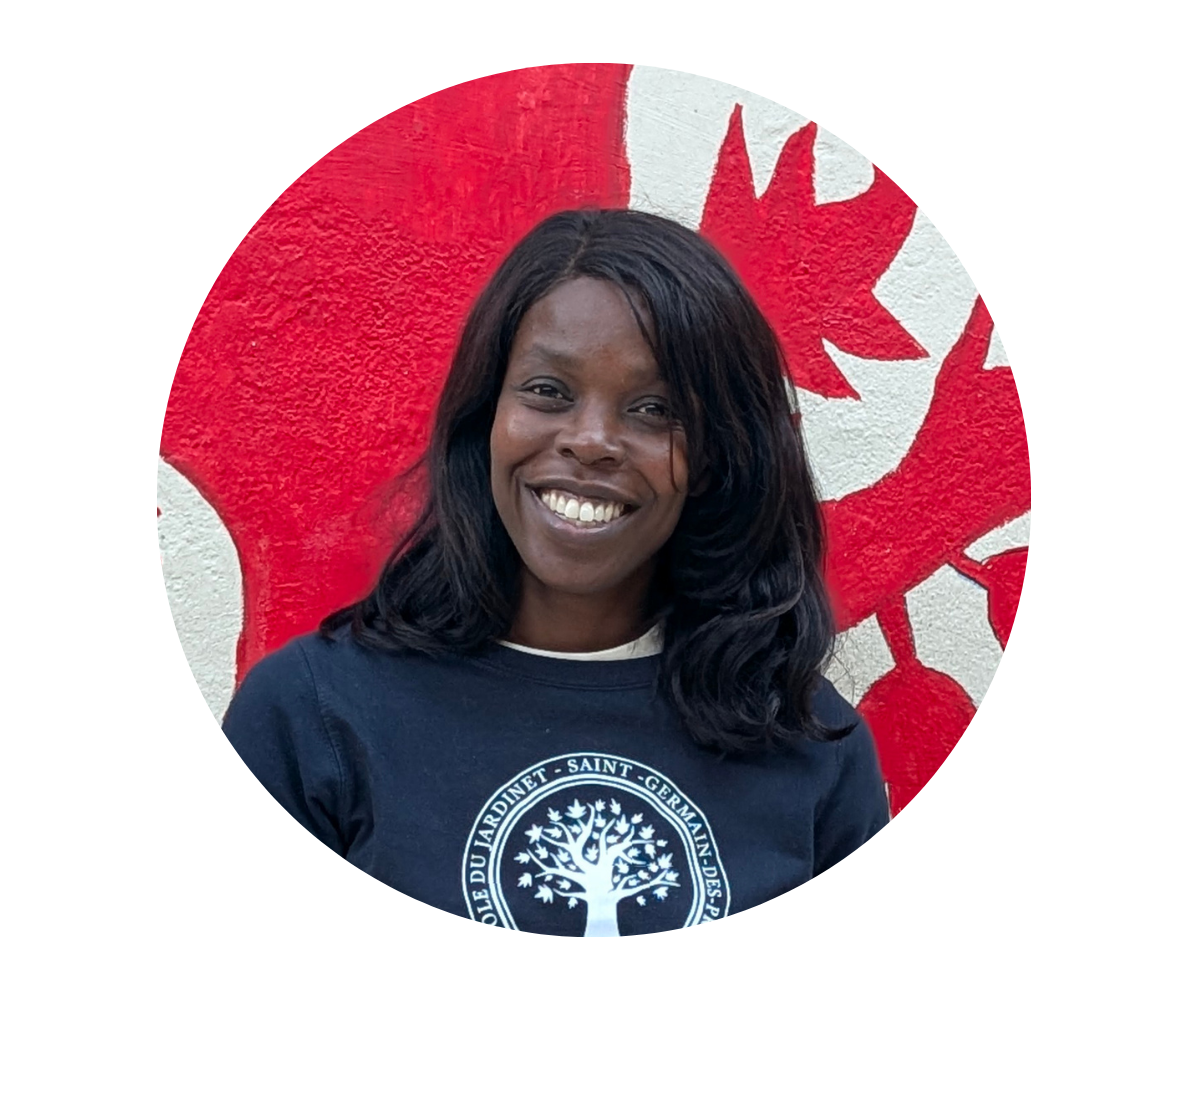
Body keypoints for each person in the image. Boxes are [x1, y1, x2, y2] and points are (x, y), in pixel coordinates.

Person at [223, 208, 888, 937]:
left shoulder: (811, 747)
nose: (592, 441)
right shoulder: (312, 715)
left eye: (654, 408)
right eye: (548, 391)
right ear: (487, 417)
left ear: (714, 458)